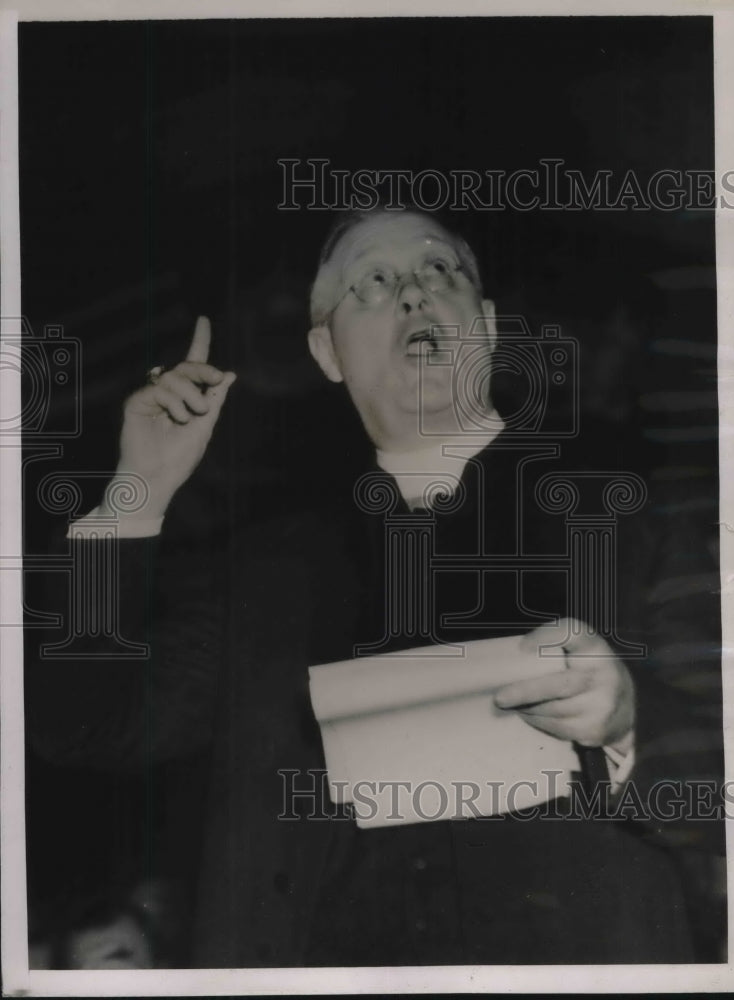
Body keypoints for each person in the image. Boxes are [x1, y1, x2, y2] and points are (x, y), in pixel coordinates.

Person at [28, 207, 724, 966]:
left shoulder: (646, 521)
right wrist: (138, 490)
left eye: (439, 270)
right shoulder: (262, 573)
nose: (413, 294)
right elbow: (86, 724)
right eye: (372, 282)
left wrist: (626, 724)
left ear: (486, 325)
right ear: (327, 353)